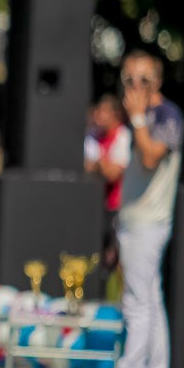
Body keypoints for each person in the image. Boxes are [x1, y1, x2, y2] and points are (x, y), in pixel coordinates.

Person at [87, 51, 184, 368]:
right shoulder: (134, 120)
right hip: (132, 219)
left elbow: (150, 157)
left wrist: (139, 117)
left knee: (136, 303)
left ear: (157, 81)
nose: (135, 87)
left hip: (149, 222)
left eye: (143, 79)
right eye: (128, 79)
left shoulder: (166, 115)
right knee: (150, 302)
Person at [83, 91, 130, 271]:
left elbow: (113, 173)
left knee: (116, 259)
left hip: (117, 207)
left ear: (115, 114)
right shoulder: (94, 135)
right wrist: (101, 164)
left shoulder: (123, 137)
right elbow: (83, 165)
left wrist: (98, 164)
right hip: (97, 206)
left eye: (103, 111)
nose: (98, 115)